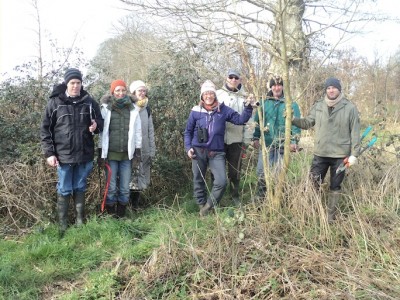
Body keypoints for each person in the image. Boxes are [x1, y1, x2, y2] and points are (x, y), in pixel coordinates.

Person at [40, 68, 103, 235]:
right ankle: (62, 224)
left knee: (80, 186)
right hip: (63, 156)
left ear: (82, 84)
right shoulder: (55, 103)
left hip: (84, 154)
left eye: (78, 83)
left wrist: (96, 125)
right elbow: (45, 130)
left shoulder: (89, 101)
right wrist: (49, 153)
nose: (75, 86)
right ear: (66, 83)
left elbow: (101, 121)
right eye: (72, 83)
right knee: (65, 189)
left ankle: (80, 220)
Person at [292, 77, 360, 222]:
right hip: (320, 153)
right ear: (326, 90)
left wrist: (354, 154)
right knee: (313, 183)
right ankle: (310, 211)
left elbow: (355, 132)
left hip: (340, 155)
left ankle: (330, 216)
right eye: (328, 88)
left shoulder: (350, 108)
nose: (331, 90)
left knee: (335, 186)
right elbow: (307, 123)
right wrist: (292, 119)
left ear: (339, 89)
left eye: (334, 87)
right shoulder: (319, 106)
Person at [184, 80, 255, 216]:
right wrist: (188, 147)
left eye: (211, 93)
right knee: (198, 179)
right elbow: (188, 131)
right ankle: (201, 205)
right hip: (198, 151)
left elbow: (240, 120)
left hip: (216, 152)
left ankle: (208, 206)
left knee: (221, 181)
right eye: (206, 94)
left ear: (215, 95)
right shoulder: (195, 111)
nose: (208, 96)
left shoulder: (222, 110)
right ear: (202, 96)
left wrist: (248, 107)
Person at [252, 76, 301, 200]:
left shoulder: (291, 104)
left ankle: (279, 197)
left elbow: (296, 125)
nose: (277, 87)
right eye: (274, 85)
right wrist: (255, 137)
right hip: (267, 144)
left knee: (279, 173)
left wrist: (294, 141)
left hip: (283, 144)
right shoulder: (264, 103)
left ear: (283, 87)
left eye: (279, 85)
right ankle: (261, 197)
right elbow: (258, 122)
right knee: (261, 172)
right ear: (270, 87)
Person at [99, 80, 142, 218]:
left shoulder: (133, 108)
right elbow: (102, 132)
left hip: (126, 155)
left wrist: (138, 150)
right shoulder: (105, 108)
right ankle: (111, 216)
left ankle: (121, 215)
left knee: (124, 188)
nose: (120, 93)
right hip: (110, 154)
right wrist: (100, 151)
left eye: (123, 90)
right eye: (117, 90)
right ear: (112, 92)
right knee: (111, 187)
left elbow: (138, 131)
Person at [216, 69, 247, 206]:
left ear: (240, 80)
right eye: (231, 77)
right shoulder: (217, 94)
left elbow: (250, 121)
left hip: (237, 139)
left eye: (236, 78)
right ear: (226, 78)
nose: (233, 80)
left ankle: (235, 195)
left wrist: (246, 140)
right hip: (219, 140)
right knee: (217, 169)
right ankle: (218, 196)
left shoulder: (245, 97)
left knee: (235, 170)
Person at [128, 80, 156, 209]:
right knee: (130, 177)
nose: (142, 93)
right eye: (140, 90)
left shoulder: (147, 108)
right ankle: (126, 205)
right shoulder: (128, 107)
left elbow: (150, 130)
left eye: (144, 91)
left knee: (141, 175)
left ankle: (135, 205)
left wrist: (152, 149)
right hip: (130, 148)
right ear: (133, 92)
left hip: (144, 147)